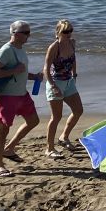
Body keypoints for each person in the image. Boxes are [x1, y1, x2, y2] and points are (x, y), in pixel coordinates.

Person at [0, 20, 41, 178]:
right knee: (3, 130)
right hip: (7, 97)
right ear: (15, 34)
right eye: (26, 33)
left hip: (22, 95)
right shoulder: (7, 50)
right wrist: (15, 70)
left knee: (34, 121)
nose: (29, 36)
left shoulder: (20, 49)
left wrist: (34, 76)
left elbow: (20, 73)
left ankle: (9, 149)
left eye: (29, 32)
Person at [43, 19, 82, 157]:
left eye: (70, 31)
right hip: (56, 82)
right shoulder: (54, 47)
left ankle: (64, 137)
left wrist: (74, 74)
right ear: (58, 32)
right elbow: (46, 69)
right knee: (56, 116)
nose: (69, 34)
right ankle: (49, 148)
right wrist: (53, 86)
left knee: (78, 110)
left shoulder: (72, 43)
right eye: (66, 31)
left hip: (69, 82)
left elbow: (73, 58)